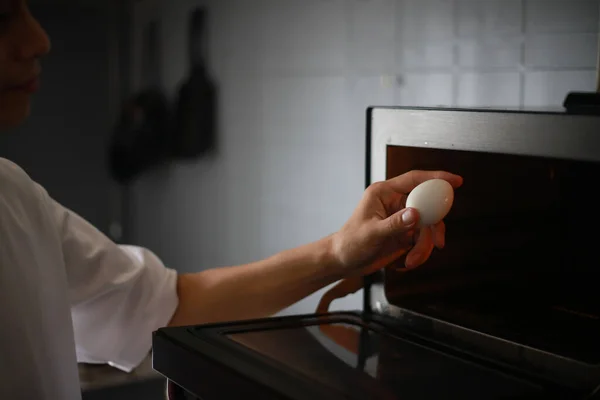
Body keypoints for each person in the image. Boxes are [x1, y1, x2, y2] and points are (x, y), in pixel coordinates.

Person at [0, 1, 463, 399]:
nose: (39, 40)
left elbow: (170, 307)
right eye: (4, 15)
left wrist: (340, 253)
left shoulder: (16, 199)